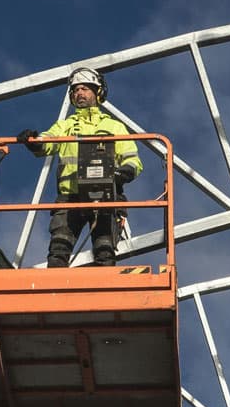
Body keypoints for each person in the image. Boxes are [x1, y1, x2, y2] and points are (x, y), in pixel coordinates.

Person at [18, 65, 141, 267]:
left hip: (105, 196)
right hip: (70, 197)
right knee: (58, 250)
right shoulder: (66, 125)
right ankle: (55, 292)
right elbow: (46, 142)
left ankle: (104, 291)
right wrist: (33, 141)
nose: (79, 93)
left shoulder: (115, 127)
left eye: (84, 88)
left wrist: (121, 174)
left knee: (105, 251)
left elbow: (133, 161)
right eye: (75, 90)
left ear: (97, 92)